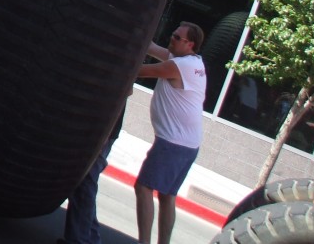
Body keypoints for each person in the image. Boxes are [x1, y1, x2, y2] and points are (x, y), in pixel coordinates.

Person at [134, 22, 206, 244]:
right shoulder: (192, 63)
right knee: (167, 196)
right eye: (173, 35)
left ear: (189, 43)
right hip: (188, 145)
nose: (171, 39)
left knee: (143, 187)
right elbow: (153, 48)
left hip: (173, 143)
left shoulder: (179, 66)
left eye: (176, 37)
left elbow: (139, 70)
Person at [58, 104, 125, 244]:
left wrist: (106, 133)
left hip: (102, 130)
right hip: (99, 128)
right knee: (85, 183)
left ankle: (79, 239)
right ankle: (89, 238)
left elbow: (126, 91)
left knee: (86, 182)